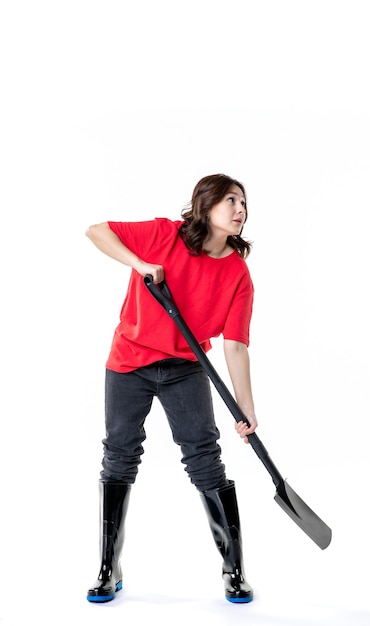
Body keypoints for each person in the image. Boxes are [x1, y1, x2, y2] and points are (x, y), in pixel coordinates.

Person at [85, 173, 258, 604]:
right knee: (120, 456)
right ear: (206, 205)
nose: (240, 209)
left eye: (243, 202)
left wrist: (246, 408)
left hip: (185, 368)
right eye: (230, 200)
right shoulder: (165, 234)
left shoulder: (237, 272)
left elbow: (235, 346)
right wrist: (139, 263)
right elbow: (96, 231)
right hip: (130, 362)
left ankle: (233, 568)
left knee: (204, 459)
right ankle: (110, 566)